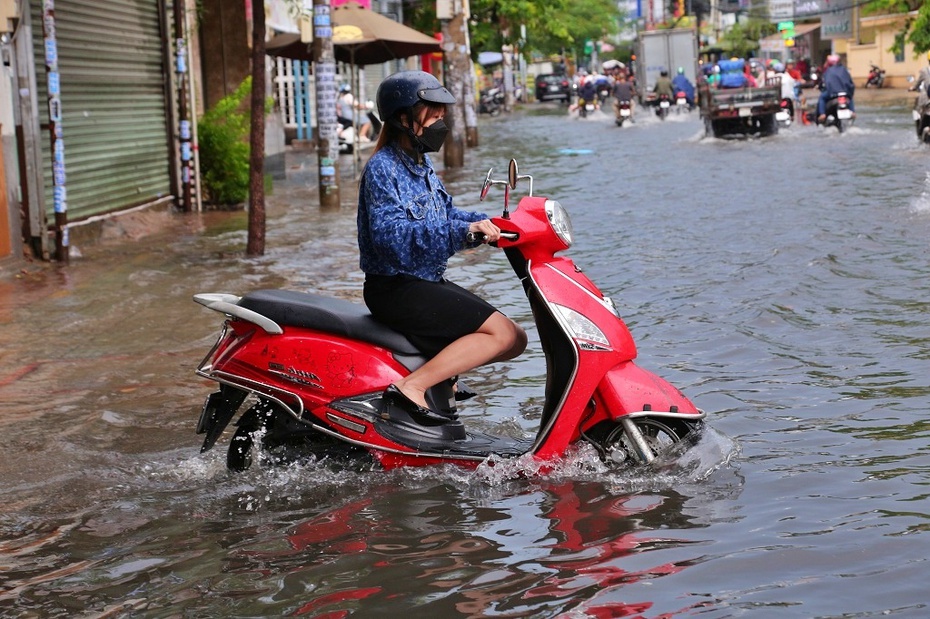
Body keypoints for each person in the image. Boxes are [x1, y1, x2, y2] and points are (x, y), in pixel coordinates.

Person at [357, 70, 527, 420]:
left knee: (518, 338)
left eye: (442, 112)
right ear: (404, 117)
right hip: (395, 288)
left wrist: (493, 222)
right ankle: (414, 386)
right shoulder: (383, 169)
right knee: (502, 333)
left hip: (425, 282)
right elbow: (390, 238)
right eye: (432, 112)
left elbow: (447, 213)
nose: (441, 120)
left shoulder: (421, 163)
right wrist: (463, 233)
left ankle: (441, 377)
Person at [817, 54, 855, 123]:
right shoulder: (844, 70)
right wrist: (849, 93)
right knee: (850, 97)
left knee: (822, 98)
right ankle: (853, 112)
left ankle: (822, 114)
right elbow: (851, 83)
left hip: (832, 93)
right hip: (844, 93)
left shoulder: (828, 71)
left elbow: (824, 82)